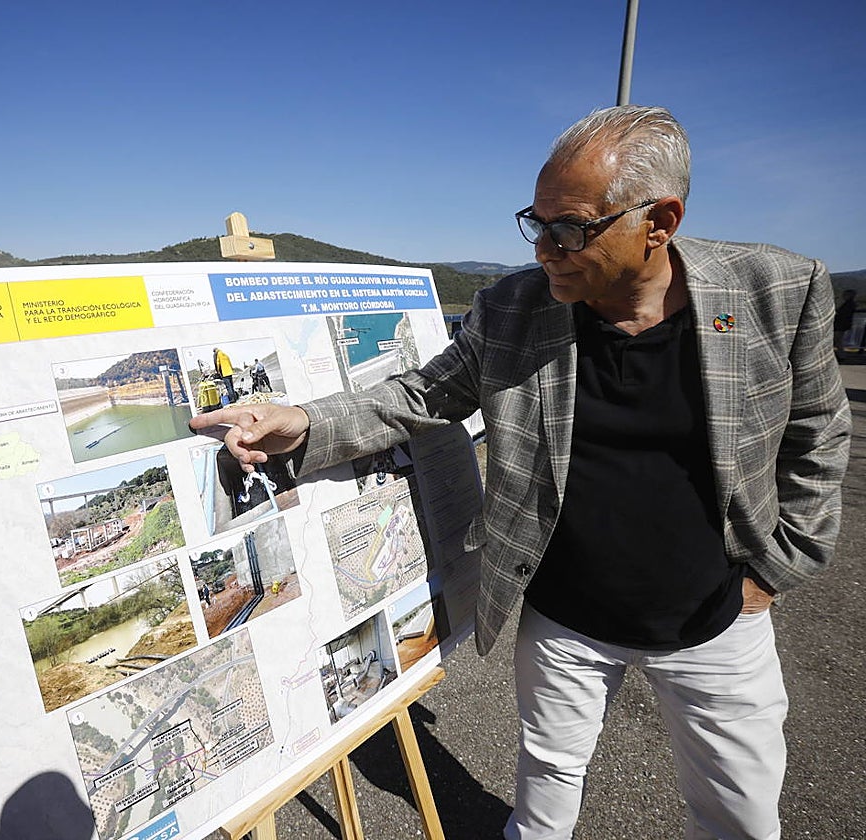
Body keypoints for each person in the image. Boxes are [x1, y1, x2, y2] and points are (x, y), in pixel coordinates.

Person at [190, 105, 851, 839]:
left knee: (741, 815)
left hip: (717, 620)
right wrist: (305, 422)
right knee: (543, 802)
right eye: (535, 223)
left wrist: (774, 571)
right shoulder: (513, 308)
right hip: (564, 618)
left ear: (659, 222)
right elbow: (423, 395)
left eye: (569, 228)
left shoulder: (775, 291)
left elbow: (818, 435)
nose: (544, 249)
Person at [833, 288, 857, 355]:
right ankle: (841, 354)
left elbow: (843, 314)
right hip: (842, 324)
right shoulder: (849, 304)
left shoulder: (848, 305)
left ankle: (841, 354)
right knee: (838, 340)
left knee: (838, 340)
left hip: (841, 324)